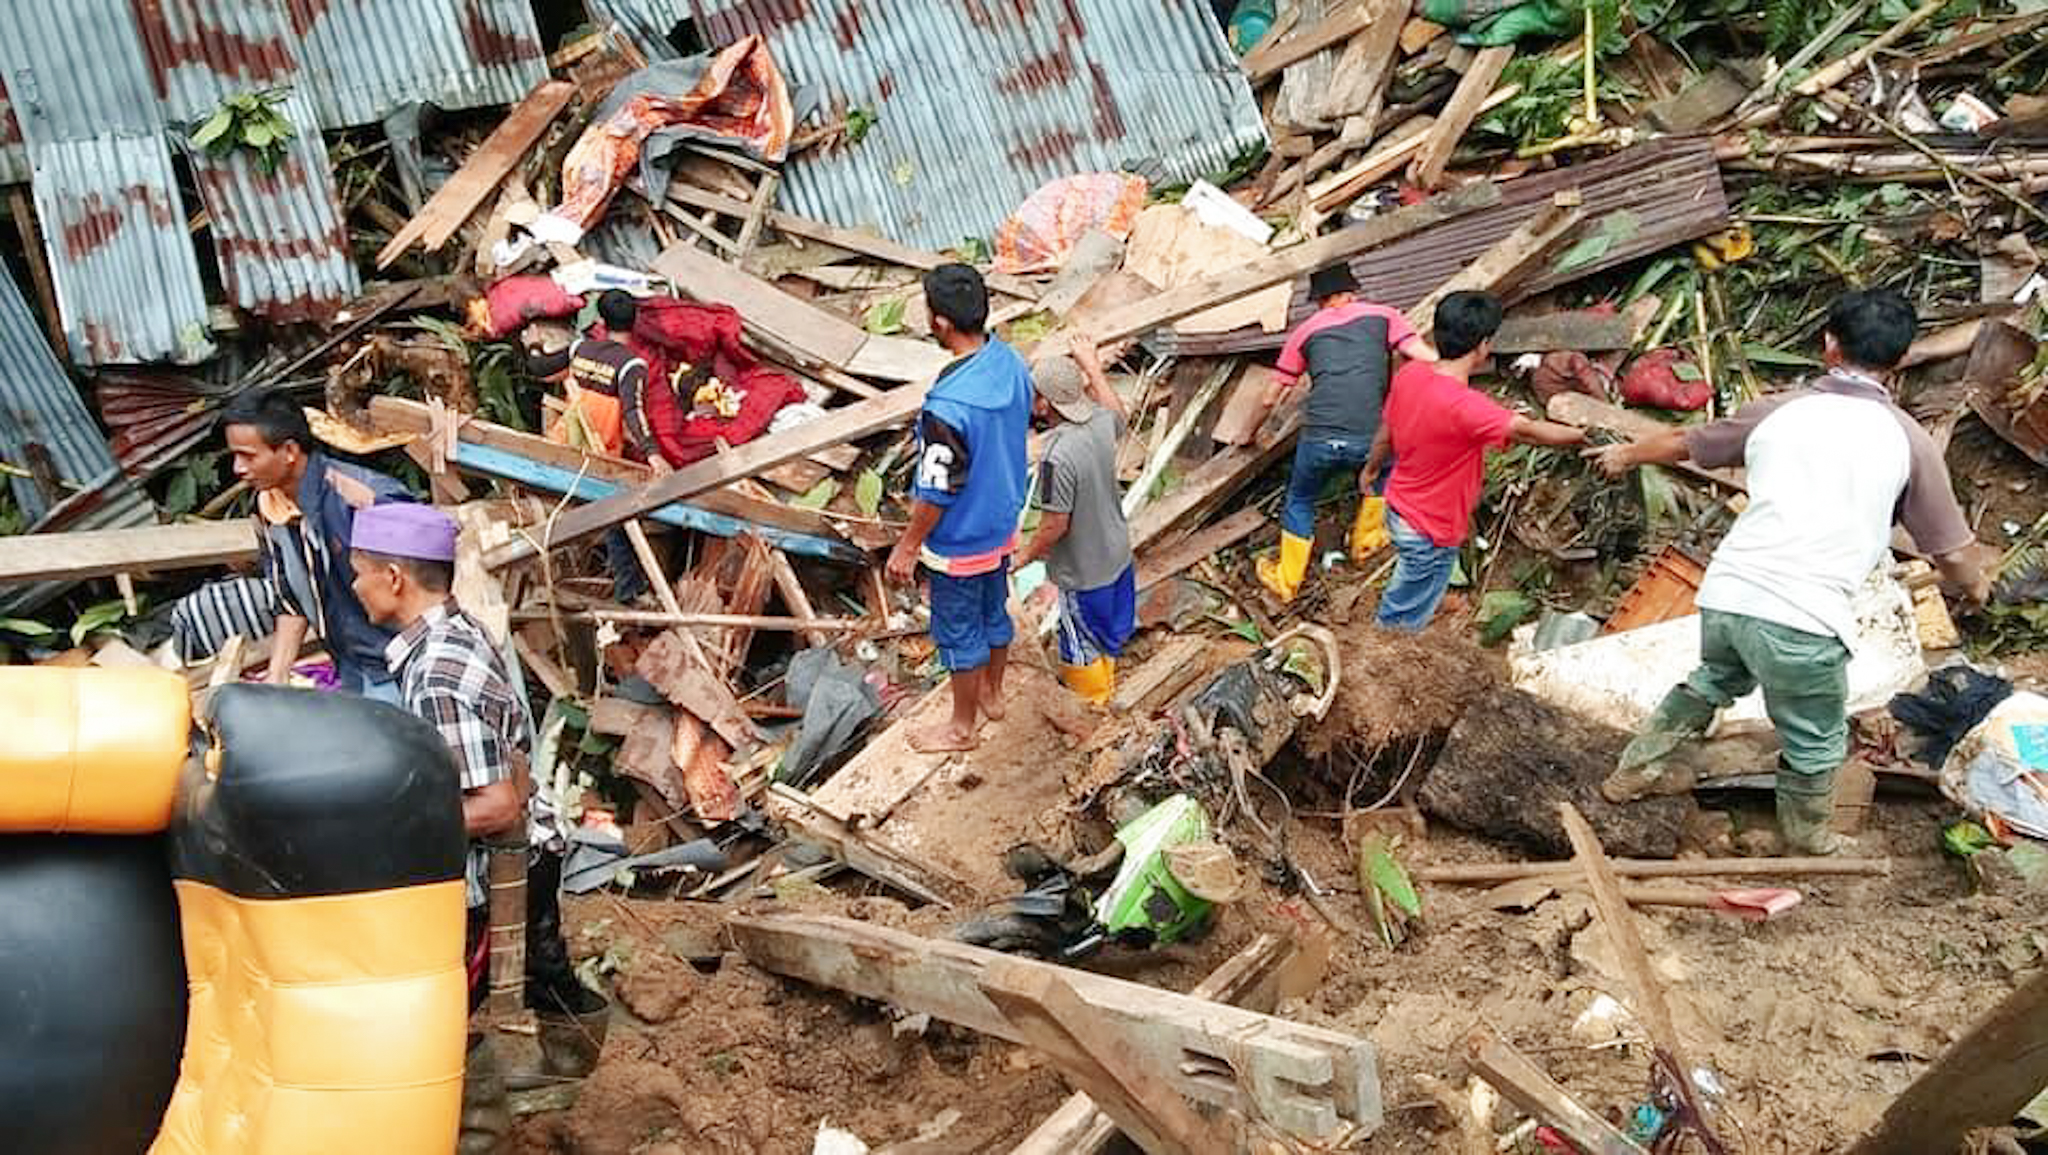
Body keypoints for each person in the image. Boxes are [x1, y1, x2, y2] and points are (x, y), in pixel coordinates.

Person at [1586, 288, 1991, 854]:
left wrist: (1624, 454)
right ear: (1901, 359)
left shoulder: (1777, 409)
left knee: (1714, 680)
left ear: (1830, 345)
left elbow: (1686, 441)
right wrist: (1976, 588)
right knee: (1817, 738)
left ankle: (1634, 770)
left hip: (1729, 595)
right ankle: (1810, 837)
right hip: (1804, 617)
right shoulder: (1908, 441)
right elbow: (1952, 551)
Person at [347, 504, 607, 1153]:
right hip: (537, 847)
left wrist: (392, 826)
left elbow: (493, 805)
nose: (354, 586)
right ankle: (576, 1073)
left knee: (447, 1012)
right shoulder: (459, 632)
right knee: (543, 966)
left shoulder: (435, 673)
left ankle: (479, 1131)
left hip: (500, 865)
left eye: (359, 572)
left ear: (394, 577)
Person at [1369, 292, 1586, 631]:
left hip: (1399, 507)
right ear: (1483, 345)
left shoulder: (1411, 375)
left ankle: (1418, 608)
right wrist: (1585, 434)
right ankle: (1389, 642)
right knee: (1400, 618)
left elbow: (1386, 431)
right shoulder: (1469, 408)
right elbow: (1530, 432)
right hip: (1431, 527)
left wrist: (1371, 467)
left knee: (1413, 579)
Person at [885, 264, 1034, 753]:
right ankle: (993, 694)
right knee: (996, 612)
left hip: (959, 541)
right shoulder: (1009, 362)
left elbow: (937, 490)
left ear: (940, 322)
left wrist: (908, 546)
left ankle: (960, 729)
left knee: (958, 633)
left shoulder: (948, 407)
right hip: (1002, 522)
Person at [1256, 262, 1439, 602]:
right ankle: (1365, 545)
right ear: (1352, 292)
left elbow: (1269, 398)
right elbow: (1423, 357)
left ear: (1319, 300)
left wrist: (1250, 432)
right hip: (1369, 436)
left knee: (1300, 499)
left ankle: (1287, 580)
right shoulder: (1385, 316)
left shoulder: (1304, 332)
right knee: (1384, 476)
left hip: (1319, 438)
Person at [222, 389, 414, 701]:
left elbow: (422, 590)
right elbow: (291, 599)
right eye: (235, 456)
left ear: (289, 451)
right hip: (353, 669)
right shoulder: (271, 507)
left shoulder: (363, 500)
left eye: (249, 456)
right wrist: (277, 676)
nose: (238, 468)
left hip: (400, 668)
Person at [1015, 334, 1134, 704]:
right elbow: (1121, 416)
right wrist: (1093, 367)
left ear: (1045, 404)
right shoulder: (1100, 422)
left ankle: (1094, 705)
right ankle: (1109, 685)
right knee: (1109, 630)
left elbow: (1055, 524)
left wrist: (1024, 556)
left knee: (1081, 641)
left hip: (1084, 572)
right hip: (1117, 554)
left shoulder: (1057, 456)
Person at [526, 290, 657, 462]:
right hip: (601, 456)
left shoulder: (580, 348)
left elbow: (539, 368)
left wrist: (534, 345)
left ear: (601, 321)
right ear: (634, 321)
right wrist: (653, 454)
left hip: (563, 444)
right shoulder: (631, 366)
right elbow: (633, 412)